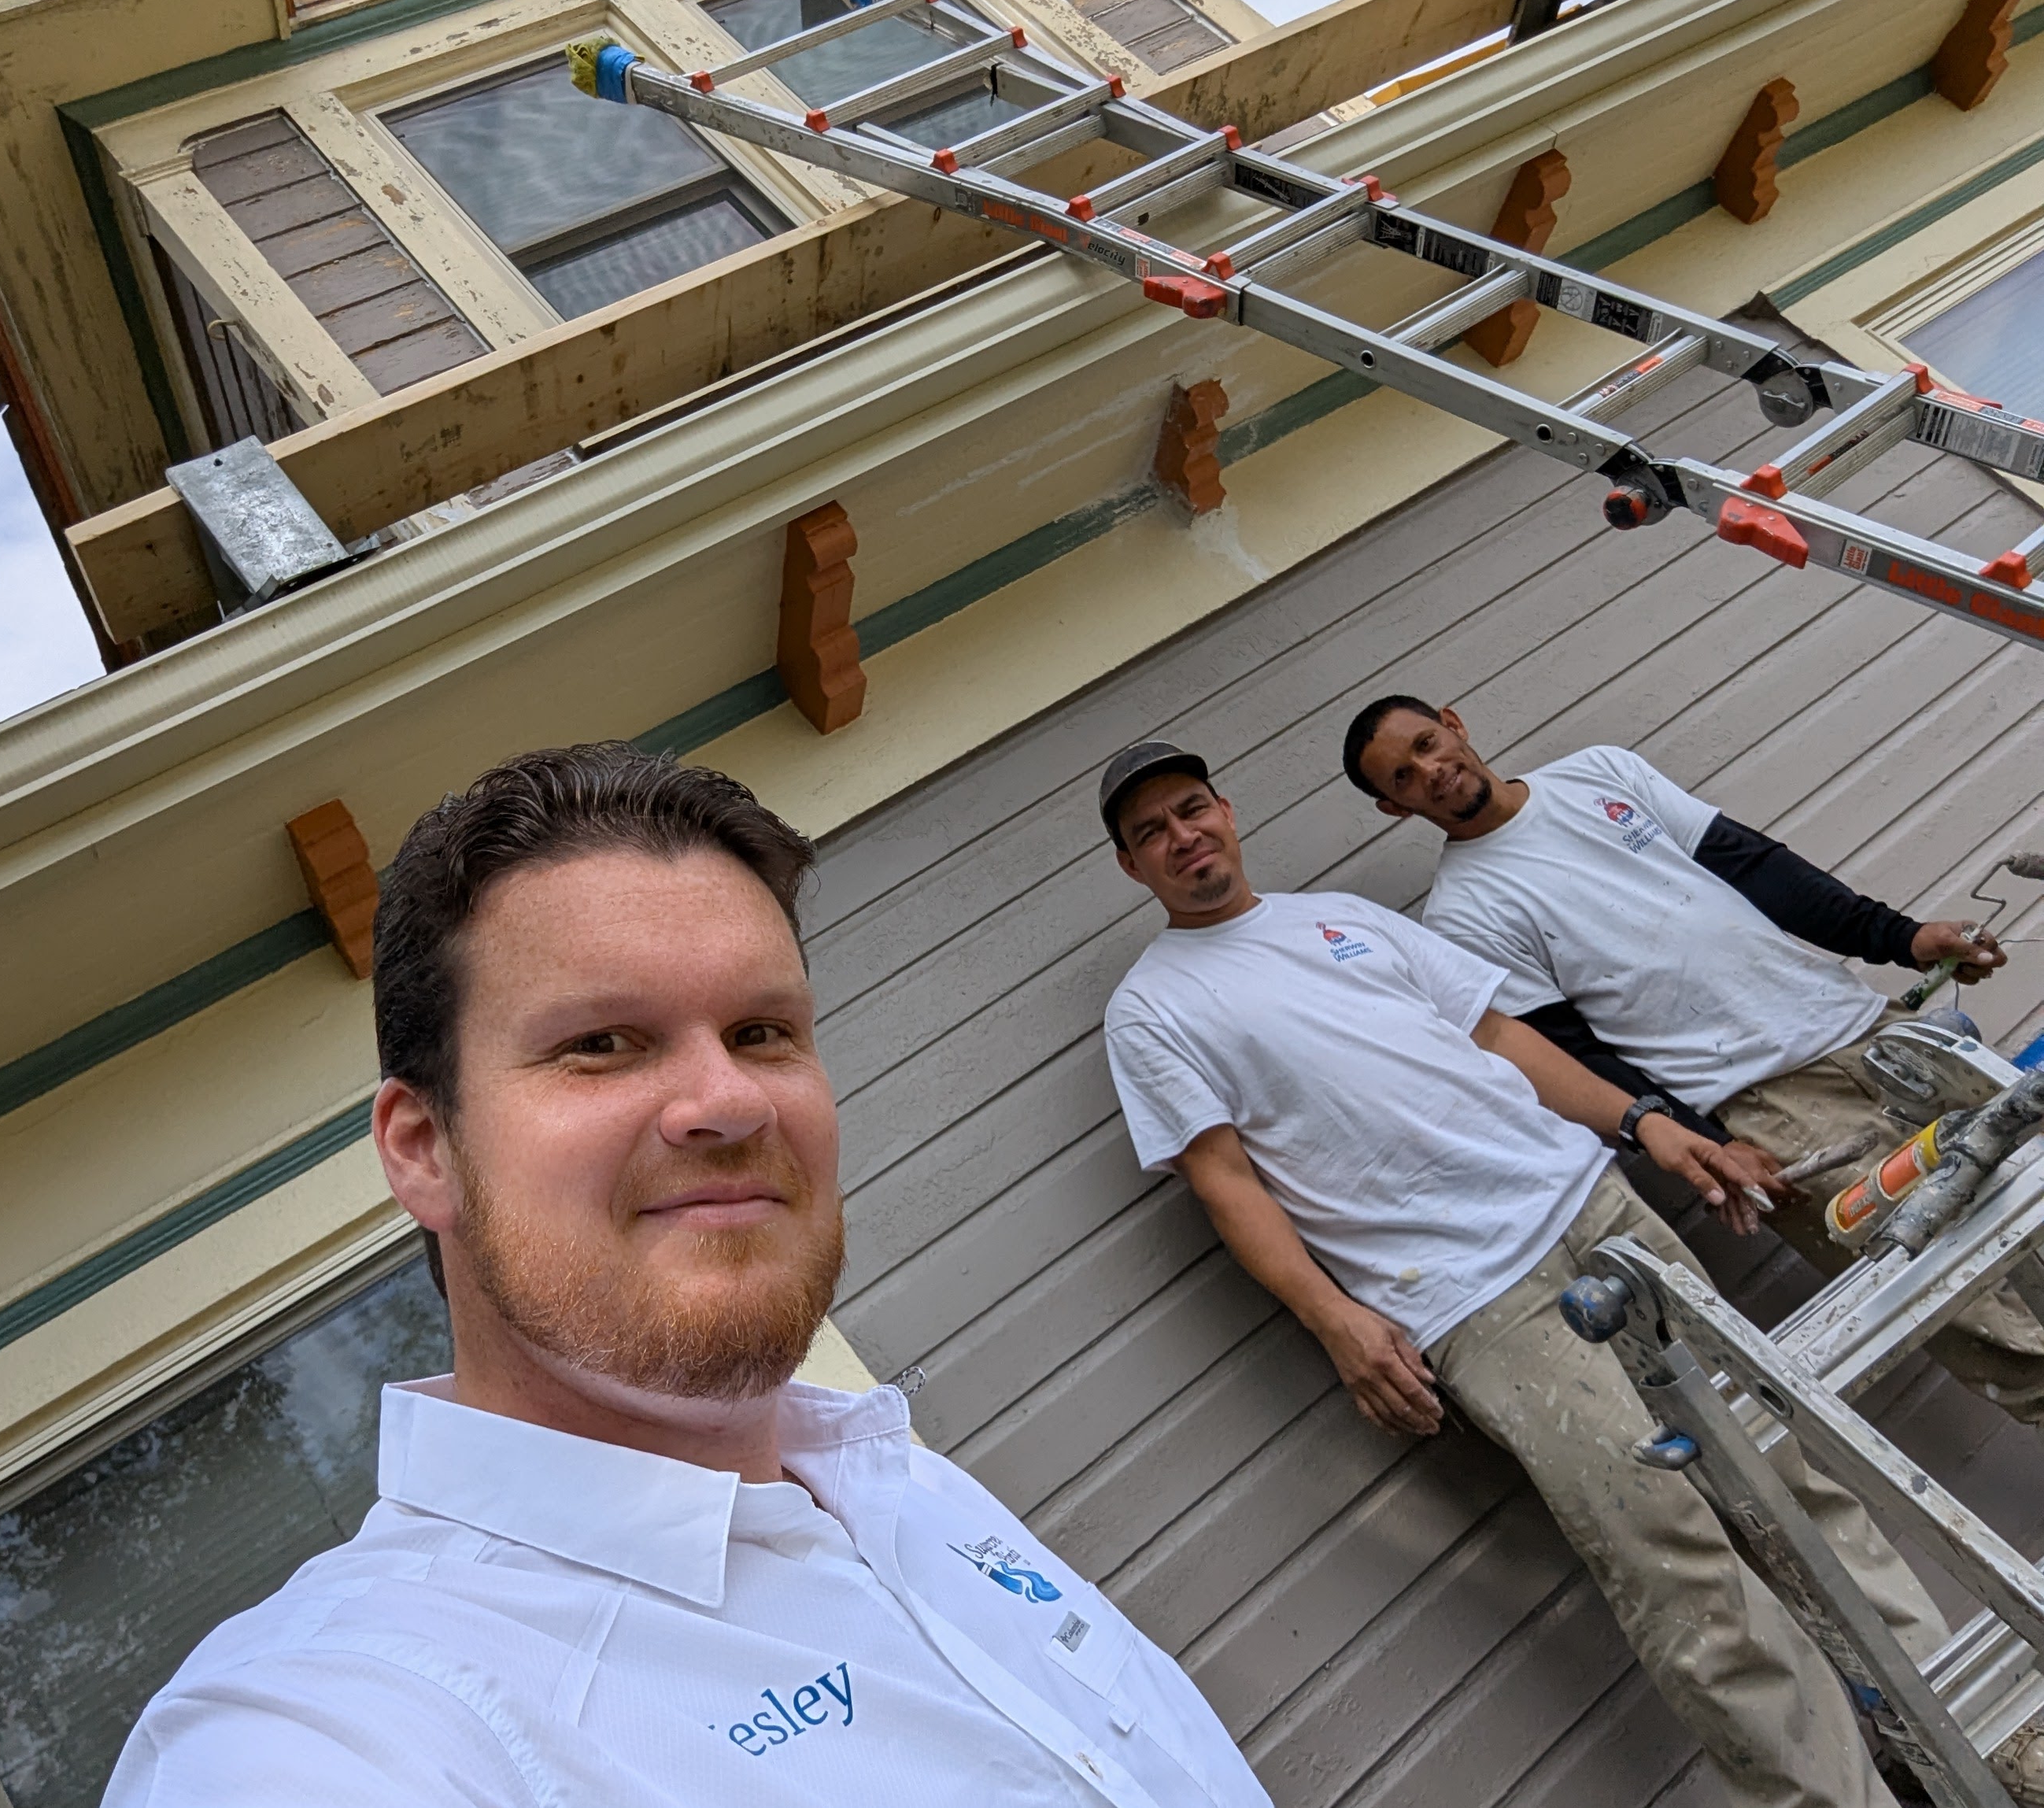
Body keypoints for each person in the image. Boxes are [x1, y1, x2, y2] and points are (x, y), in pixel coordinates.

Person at [105, 743, 1270, 1808]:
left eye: (763, 1031)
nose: (730, 1100)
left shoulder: (899, 1481)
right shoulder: (322, 1734)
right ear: (424, 1149)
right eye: (600, 1042)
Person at [1096, 735, 1954, 1808]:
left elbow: (1500, 1033)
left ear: (1226, 811)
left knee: (1783, 1463)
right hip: (1472, 1299)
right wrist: (1335, 1319)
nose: (1181, 836)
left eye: (1191, 808)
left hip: (1600, 1211)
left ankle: (1975, 1724)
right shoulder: (1152, 1009)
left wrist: (1645, 1122)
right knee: (1672, 1554)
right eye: (1151, 832)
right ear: (1133, 866)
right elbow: (1225, 1182)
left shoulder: (1343, 919)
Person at [1340, 696, 2043, 1436]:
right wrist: (1707, 1141)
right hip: (1773, 1115)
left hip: (1871, 1030)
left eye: (1427, 743)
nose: (1430, 770)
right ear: (1395, 807)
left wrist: (1900, 937)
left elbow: (1756, 868)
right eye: (1403, 776)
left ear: (1454, 723)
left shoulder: (1599, 773)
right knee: (1973, 1309)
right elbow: (1575, 1056)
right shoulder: (1463, 914)